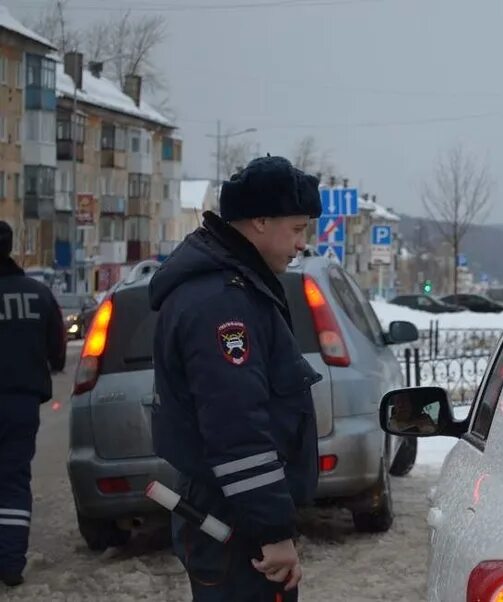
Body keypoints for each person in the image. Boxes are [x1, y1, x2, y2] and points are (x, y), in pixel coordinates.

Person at [149, 156, 323, 600]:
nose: (303, 243)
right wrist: (273, 531)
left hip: (235, 509)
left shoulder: (234, 286)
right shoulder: (222, 302)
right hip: (235, 518)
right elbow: (236, 428)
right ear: (261, 221)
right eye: (298, 228)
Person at [0, 220, 66, 587]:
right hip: (21, 404)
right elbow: (58, 352)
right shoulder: (37, 294)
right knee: (12, 482)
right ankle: (10, 564)